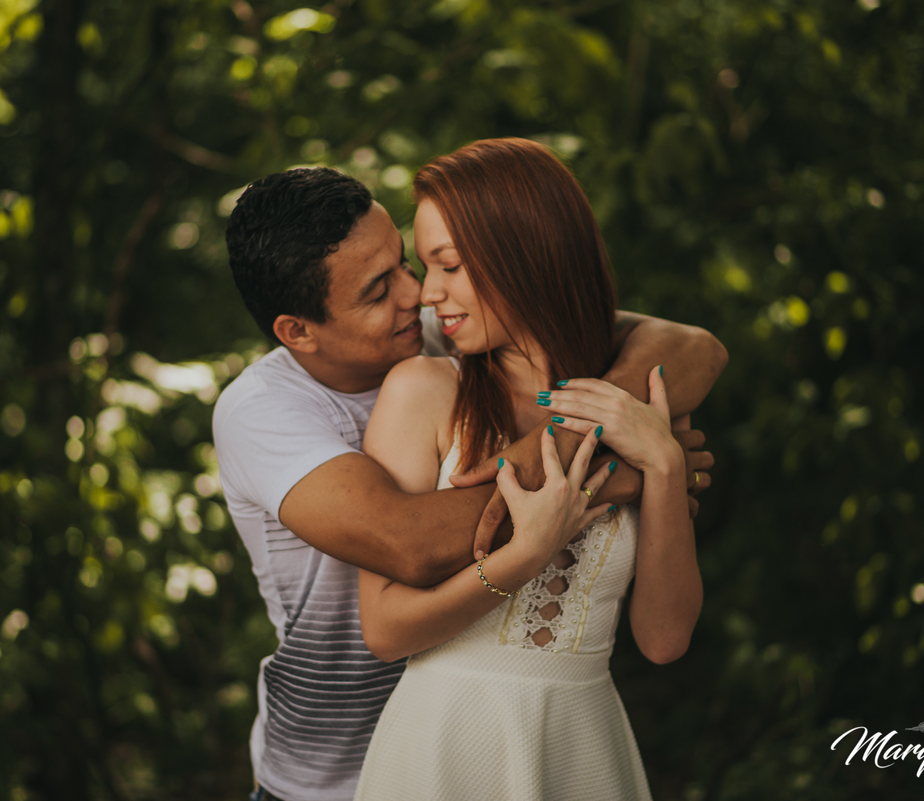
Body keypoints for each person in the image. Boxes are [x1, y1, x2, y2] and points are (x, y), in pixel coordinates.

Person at [216, 165, 726, 801]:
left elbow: (692, 346)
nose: (417, 294)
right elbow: (410, 543)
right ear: (298, 332)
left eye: (411, 264)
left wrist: (622, 435)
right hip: (333, 771)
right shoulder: (265, 412)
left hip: (565, 744)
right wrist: (599, 470)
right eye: (379, 291)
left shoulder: (448, 335)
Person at [352, 138, 705, 801]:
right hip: (440, 745)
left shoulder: (632, 403)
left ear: (526, 254)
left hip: (580, 745)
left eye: (448, 265)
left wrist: (661, 459)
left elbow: (663, 638)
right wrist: (525, 554)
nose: (429, 295)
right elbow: (385, 628)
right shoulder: (422, 391)